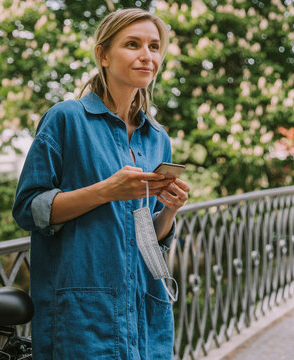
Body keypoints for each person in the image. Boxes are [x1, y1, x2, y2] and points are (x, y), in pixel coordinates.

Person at [12, 8, 190, 360]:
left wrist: (168, 211)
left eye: (154, 46)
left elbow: (145, 238)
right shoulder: (66, 119)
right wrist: (107, 191)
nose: (147, 56)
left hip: (142, 306)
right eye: (133, 44)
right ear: (103, 55)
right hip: (83, 314)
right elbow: (28, 210)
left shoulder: (157, 138)